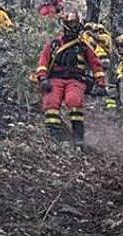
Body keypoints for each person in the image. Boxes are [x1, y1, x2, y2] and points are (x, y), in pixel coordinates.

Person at [32, 10, 106, 144]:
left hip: (75, 80)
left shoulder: (83, 46)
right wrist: (43, 78)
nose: (73, 26)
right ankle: (53, 137)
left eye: (75, 23)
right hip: (55, 79)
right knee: (51, 103)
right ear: (65, 25)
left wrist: (100, 83)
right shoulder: (54, 44)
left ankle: (79, 137)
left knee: (74, 100)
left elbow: (96, 65)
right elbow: (43, 61)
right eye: (71, 23)